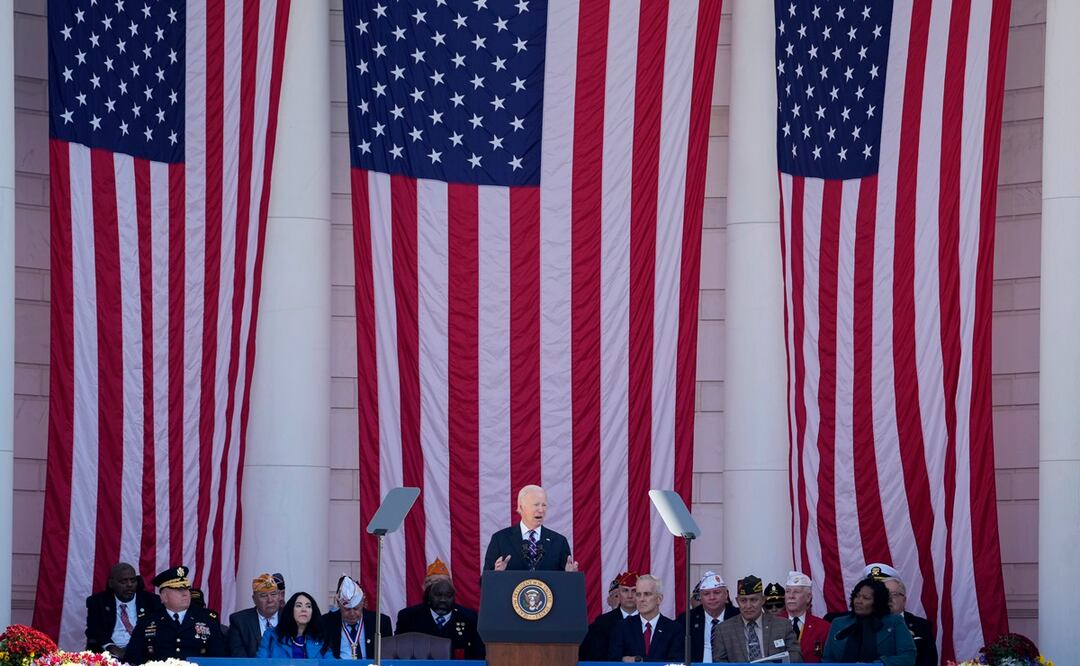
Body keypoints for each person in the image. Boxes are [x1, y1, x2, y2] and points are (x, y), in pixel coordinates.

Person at [124, 566, 226, 664]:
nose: (185, 593)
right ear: (164, 597)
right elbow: (132, 658)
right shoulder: (147, 621)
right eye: (179, 590)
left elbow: (219, 658)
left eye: (187, 589)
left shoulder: (207, 618)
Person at [822, 578, 915, 665]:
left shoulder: (894, 621)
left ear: (878, 601)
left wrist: (877, 665)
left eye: (866, 598)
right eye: (857, 596)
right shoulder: (838, 623)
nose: (858, 601)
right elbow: (827, 659)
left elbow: (908, 657)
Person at [483, 485, 578, 571]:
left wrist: (570, 575)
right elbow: (485, 582)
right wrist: (496, 574)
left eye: (544, 505)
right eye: (536, 505)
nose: (541, 510)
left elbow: (568, 585)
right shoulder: (500, 539)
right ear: (521, 507)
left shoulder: (559, 542)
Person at [712, 575, 802, 662]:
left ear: (763, 600)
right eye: (743, 600)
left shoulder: (783, 625)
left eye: (753, 600)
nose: (748, 606)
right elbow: (719, 661)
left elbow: (796, 658)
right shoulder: (723, 630)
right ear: (737, 601)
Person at [85, 562, 162, 658]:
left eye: (133, 580)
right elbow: (94, 630)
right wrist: (111, 647)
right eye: (123, 581)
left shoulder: (151, 601)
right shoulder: (97, 602)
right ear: (111, 583)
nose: (129, 585)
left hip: (143, 651)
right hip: (110, 653)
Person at [396, 576, 484, 659]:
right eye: (438, 595)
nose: (443, 600)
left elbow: (478, 655)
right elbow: (398, 652)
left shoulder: (469, 618)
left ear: (454, 598)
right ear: (429, 596)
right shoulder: (408, 617)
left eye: (448, 595)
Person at [608, 574, 684, 662]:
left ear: (659, 599)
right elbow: (614, 660)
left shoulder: (674, 629)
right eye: (638, 594)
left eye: (647, 594)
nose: (641, 599)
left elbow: (675, 662)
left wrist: (638, 660)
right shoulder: (622, 627)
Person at [322, 576, 392, 660]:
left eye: (356, 608)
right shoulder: (326, 622)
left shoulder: (380, 622)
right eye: (347, 609)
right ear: (339, 604)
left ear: (363, 602)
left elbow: (388, 657)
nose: (352, 614)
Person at [676, 570, 738, 663]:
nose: (712, 597)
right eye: (706, 594)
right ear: (700, 597)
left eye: (717, 592)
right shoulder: (687, 620)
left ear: (726, 595)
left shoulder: (737, 616)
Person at [580, 571, 638, 661]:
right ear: (619, 594)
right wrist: (621, 660)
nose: (630, 596)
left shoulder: (648, 621)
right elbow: (592, 656)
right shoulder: (602, 623)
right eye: (625, 590)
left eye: (634, 591)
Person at [881, 576, 937, 666]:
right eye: (884, 594)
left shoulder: (921, 625)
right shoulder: (870, 624)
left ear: (904, 600)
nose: (889, 599)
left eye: (894, 594)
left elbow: (929, 660)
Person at [780, 571, 830, 663]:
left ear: (808, 597)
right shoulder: (773, 624)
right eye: (788, 591)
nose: (791, 596)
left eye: (796, 592)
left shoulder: (823, 628)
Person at [258, 592, 328, 658]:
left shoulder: (321, 639)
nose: (304, 609)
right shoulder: (271, 636)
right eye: (298, 606)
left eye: (308, 606)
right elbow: (259, 663)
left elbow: (332, 663)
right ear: (291, 610)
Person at [227, 573, 281, 657]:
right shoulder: (239, 621)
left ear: (279, 596)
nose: (270, 600)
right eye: (264, 595)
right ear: (254, 599)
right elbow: (238, 657)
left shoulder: (290, 617)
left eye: (273, 594)